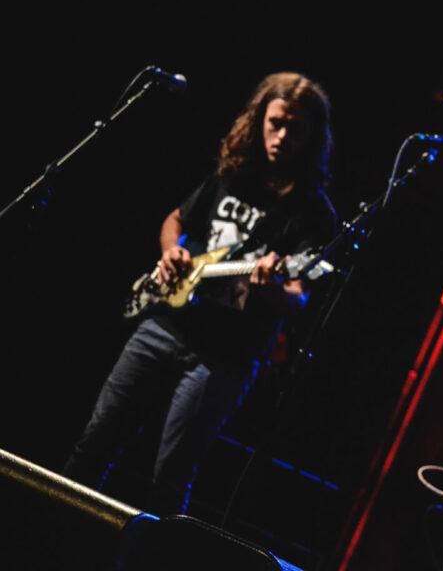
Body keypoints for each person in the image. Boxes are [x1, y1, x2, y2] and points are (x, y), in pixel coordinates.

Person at [65, 72, 337, 514]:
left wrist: (271, 289)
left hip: (224, 358)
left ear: (312, 138)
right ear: (259, 119)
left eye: (296, 129)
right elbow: (176, 219)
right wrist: (172, 252)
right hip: (164, 325)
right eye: (275, 122)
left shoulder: (314, 213)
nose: (282, 136)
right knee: (95, 443)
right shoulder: (233, 173)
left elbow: (298, 296)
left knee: (170, 480)